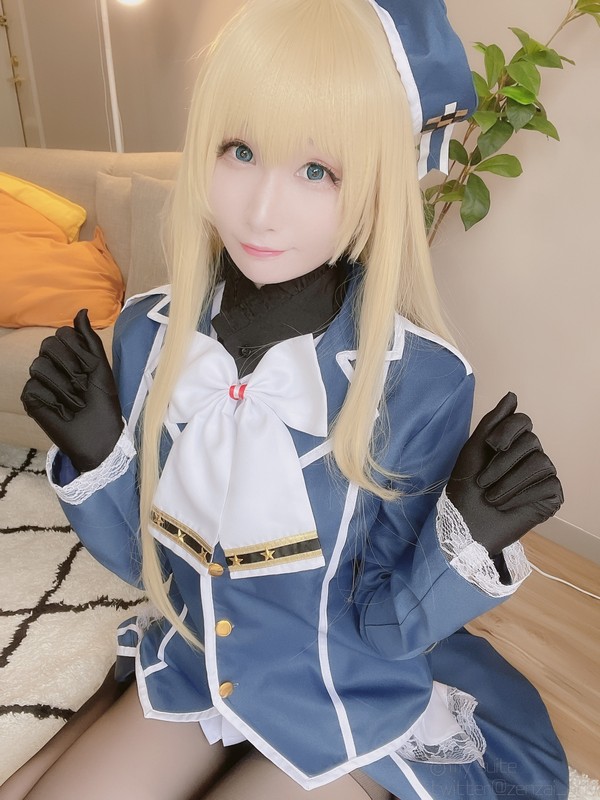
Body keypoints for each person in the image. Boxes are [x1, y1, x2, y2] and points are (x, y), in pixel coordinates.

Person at [5, 0, 568, 798]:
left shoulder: (422, 381)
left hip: (343, 699)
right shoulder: (146, 336)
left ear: (378, 182)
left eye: (316, 171)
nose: (262, 210)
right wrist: (100, 458)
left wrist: (466, 543)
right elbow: (151, 567)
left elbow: (385, 627)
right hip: (198, 667)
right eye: (240, 151)